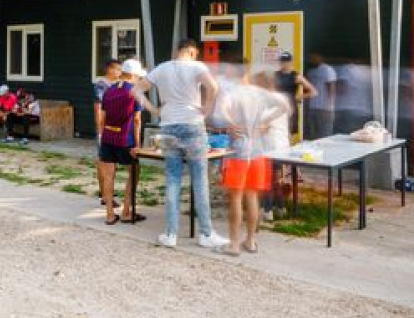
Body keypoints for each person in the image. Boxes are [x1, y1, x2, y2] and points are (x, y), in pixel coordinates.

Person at [135, 39, 229, 249]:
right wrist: (207, 108)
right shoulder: (197, 66)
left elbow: (135, 90)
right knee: (199, 180)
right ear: (192, 52)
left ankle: (170, 234)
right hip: (192, 125)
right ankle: (206, 234)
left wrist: (154, 110)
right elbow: (213, 87)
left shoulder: (161, 69)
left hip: (168, 126)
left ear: (178, 51)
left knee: (173, 179)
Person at [218, 71, 290, 255]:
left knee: (235, 198)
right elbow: (285, 106)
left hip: (238, 152)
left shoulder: (232, 93)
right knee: (251, 197)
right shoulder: (260, 94)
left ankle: (234, 244)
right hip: (258, 152)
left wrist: (230, 123)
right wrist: (265, 120)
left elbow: (220, 112)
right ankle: (250, 241)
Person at [98, 58, 146, 225]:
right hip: (126, 139)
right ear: (132, 75)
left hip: (107, 138)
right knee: (134, 171)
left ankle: (110, 215)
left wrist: (102, 135)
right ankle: (126, 211)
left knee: (108, 176)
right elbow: (137, 120)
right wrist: (138, 144)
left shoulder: (109, 90)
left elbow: (102, 118)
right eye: (138, 76)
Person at [93, 59, 123, 208]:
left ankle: (106, 193)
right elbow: (98, 108)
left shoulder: (117, 84)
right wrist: (100, 130)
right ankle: (105, 195)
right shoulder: (101, 85)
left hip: (114, 128)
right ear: (110, 69)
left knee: (110, 162)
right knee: (104, 161)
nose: (119, 72)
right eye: (117, 69)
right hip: (105, 128)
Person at [274, 52, 317, 141]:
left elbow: (313, 92)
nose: (284, 64)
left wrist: (300, 96)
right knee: (276, 133)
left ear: (291, 62)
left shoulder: (296, 76)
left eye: (286, 61)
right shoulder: (275, 75)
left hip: (290, 108)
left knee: (289, 134)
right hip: (277, 107)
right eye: (282, 61)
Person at [305, 53, 338, 139]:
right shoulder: (310, 71)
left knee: (325, 135)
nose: (312, 59)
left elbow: (332, 88)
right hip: (312, 107)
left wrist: (329, 107)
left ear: (321, 57)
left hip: (325, 109)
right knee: (313, 134)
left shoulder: (327, 70)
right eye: (311, 58)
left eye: (314, 57)